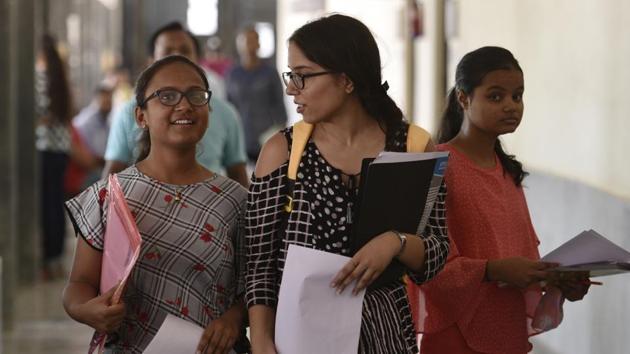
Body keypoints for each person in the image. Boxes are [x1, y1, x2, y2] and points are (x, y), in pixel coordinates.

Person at [245, 14, 449, 354]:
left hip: (385, 337)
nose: (290, 88)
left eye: (303, 76)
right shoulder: (284, 151)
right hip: (299, 337)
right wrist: (262, 341)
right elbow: (258, 264)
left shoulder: (412, 146)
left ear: (346, 80)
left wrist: (394, 243)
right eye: (290, 75)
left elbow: (437, 253)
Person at [63, 55, 249, 353]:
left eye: (196, 95)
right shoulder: (110, 195)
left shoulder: (235, 200)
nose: (185, 105)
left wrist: (234, 319)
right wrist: (85, 310)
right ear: (141, 116)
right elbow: (79, 283)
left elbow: (254, 289)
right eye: (167, 96)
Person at [415, 46, 590, 354]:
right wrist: (492, 270)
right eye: (496, 96)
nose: (511, 106)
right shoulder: (437, 165)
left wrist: (556, 282)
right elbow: (426, 262)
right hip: (455, 337)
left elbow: (519, 259)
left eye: (517, 96)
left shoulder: (507, 171)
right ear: (463, 98)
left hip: (507, 334)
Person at [103, 22, 248, 187]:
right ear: (142, 117)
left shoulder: (226, 113)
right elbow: (112, 174)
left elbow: (238, 174)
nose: (184, 107)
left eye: (185, 50)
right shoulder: (128, 112)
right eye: (168, 51)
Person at [35, 34, 74, 280]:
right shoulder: (62, 80)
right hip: (61, 150)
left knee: (45, 207)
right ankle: (57, 258)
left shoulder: (41, 78)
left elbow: (40, 114)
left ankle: (48, 260)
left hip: (44, 149)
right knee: (56, 205)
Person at [225, 25, 288, 163]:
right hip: (240, 136)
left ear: (259, 43)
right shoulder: (233, 74)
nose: (249, 44)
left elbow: (279, 104)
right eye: (246, 40)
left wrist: (281, 135)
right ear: (238, 44)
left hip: (265, 137)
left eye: (254, 40)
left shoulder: (270, 73)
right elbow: (228, 105)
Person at [72, 84, 113, 185]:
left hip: (96, 166)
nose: (108, 103)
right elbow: (87, 158)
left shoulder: (106, 122)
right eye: (104, 100)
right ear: (96, 100)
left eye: (109, 100)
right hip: (84, 173)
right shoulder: (86, 121)